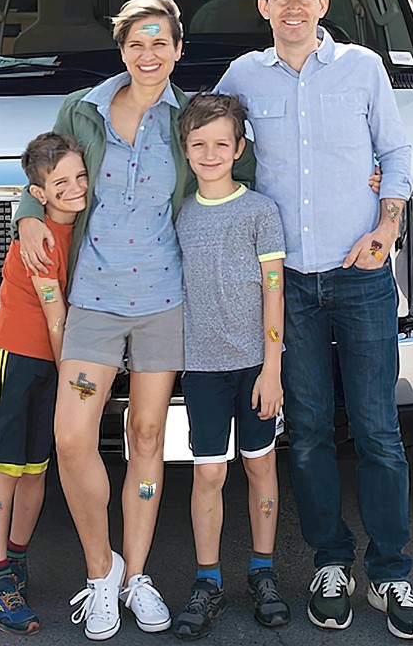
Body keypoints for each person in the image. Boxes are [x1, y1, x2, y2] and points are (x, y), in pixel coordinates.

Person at [11, 0, 256, 641]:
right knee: (72, 437)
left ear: (178, 49)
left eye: (160, 43)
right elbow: (42, 169)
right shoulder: (83, 109)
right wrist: (28, 214)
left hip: (164, 305)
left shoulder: (191, 116)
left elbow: (243, 174)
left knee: (148, 437)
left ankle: (138, 576)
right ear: (121, 49)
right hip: (93, 301)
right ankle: (102, 572)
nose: (148, 54)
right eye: (136, 43)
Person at [215, 0, 413, 640]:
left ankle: (391, 572)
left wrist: (387, 226)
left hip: (362, 273)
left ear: (323, 5)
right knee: (307, 432)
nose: (293, 7)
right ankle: (330, 565)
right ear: (263, 7)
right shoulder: (243, 76)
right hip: (290, 284)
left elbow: (395, 153)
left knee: (377, 429)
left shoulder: (363, 68)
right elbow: (203, 140)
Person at [171, 93, 290, 641]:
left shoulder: (261, 211)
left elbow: (273, 291)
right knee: (209, 473)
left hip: (255, 366)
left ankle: (263, 572)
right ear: (185, 149)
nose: (211, 153)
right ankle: (208, 580)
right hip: (202, 369)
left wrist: (272, 369)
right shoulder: (180, 214)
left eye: (222, 143)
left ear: (239, 148)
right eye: (199, 144)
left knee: (260, 466)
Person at [0, 132, 88, 636]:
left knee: (36, 470)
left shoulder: (78, 226)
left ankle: (17, 559)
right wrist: (73, 381)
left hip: (50, 364)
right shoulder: (38, 239)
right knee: (5, 469)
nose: (75, 188)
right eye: (60, 183)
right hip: (17, 358)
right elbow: (54, 315)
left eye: (80, 176)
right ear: (39, 193)